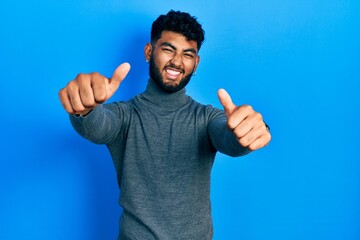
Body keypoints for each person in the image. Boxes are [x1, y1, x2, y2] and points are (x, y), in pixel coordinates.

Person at [59, 10, 271, 240]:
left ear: (196, 63)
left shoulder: (207, 117)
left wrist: (249, 133)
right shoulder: (125, 115)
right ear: (149, 52)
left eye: (188, 54)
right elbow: (97, 126)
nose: (177, 62)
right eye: (168, 49)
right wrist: (84, 108)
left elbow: (229, 137)